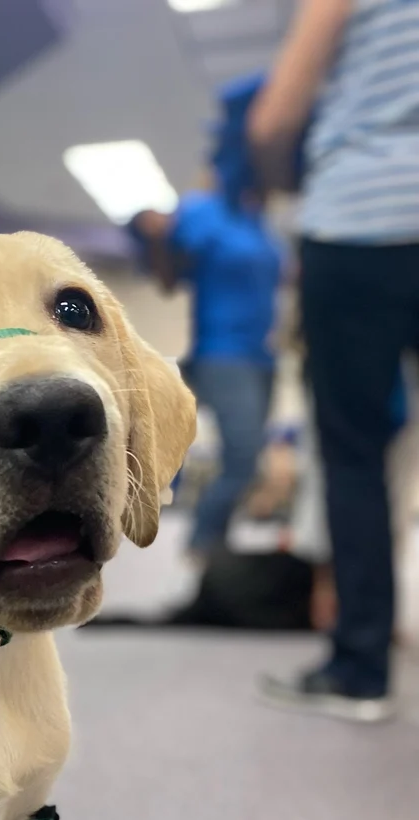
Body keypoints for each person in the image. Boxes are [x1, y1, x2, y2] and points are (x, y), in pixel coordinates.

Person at [251, 0, 419, 722]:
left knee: (353, 456)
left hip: (359, 223)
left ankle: (360, 671)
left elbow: (274, 119)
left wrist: (285, 179)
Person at [130, 75, 285, 558]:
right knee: (242, 456)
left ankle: (216, 544)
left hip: (263, 357)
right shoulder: (202, 211)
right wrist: (152, 232)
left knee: (248, 460)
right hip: (223, 354)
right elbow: (165, 272)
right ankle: (201, 544)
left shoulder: (259, 222)